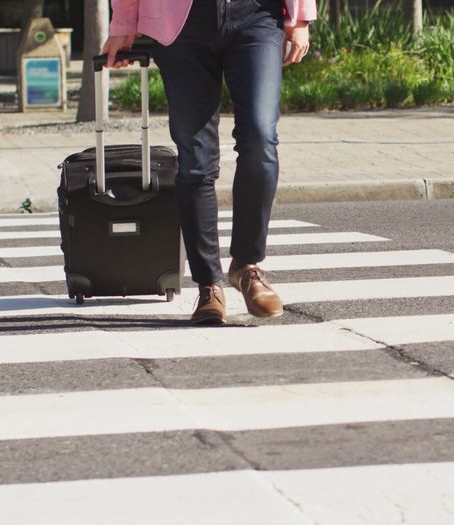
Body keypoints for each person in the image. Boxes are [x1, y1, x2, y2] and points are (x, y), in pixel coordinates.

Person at [102, 0, 315, 324]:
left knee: (260, 140)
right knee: (196, 157)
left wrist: (301, 16)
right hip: (181, 24)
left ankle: (247, 266)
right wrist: (123, 24)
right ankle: (209, 285)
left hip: (256, 15)